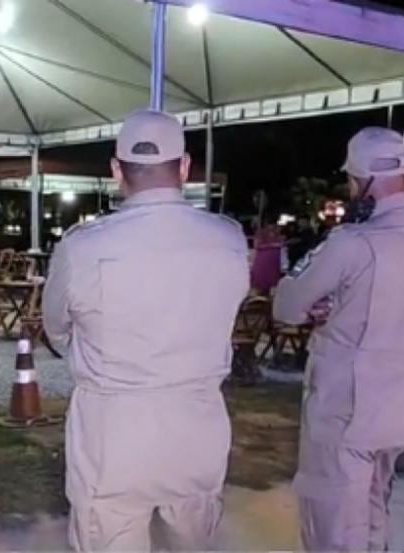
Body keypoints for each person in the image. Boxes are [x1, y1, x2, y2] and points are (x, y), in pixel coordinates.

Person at [42, 109, 249, 551]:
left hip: (113, 437)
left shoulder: (84, 246)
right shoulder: (229, 239)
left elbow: (56, 330)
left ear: (117, 170)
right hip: (197, 430)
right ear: (186, 167)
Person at [273, 127, 404, 551]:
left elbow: (286, 305)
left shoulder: (351, 243)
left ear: (359, 182)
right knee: (374, 507)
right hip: (403, 404)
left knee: (334, 526)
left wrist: (319, 304)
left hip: (348, 407)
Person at [250, 222, 284, 295]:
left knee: (269, 285)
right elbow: (256, 245)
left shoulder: (277, 234)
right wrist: (272, 245)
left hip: (273, 262)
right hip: (263, 261)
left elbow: (281, 244)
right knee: (259, 283)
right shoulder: (261, 233)